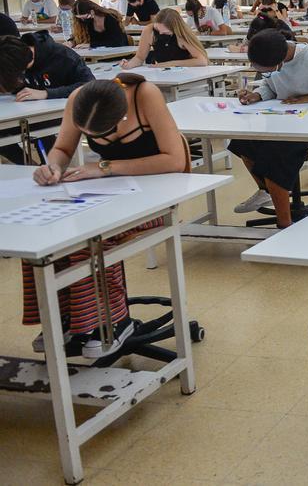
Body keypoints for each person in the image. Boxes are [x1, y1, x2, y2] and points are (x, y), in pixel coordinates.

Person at [25, 73, 189, 358]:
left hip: (158, 194)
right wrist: (51, 166)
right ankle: (67, 319)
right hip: (109, 192)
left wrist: (104, 167)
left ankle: (112, 321)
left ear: (122, 116)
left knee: (92, 236)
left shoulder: (144, 95)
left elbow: (175, 160)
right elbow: (63, 148)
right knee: (44, 238)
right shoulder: (80, 99)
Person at [228, 31, 308, 226]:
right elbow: (270, 85)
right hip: (286, 119)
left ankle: (284, 225)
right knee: (244, 141)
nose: (265, 73)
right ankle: (266, 191)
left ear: (281, 63)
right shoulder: (271, 57)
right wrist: (258, 95)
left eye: (267, 69)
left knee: (275, 154)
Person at [0, 31, 94, 165]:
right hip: (24, 112)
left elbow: (89, 85)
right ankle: (30, 167)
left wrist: (46, 93)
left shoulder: (62, 56)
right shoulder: (8, 56)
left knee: (38, 130)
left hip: (59, 113)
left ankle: (51, 167)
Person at [122, 9, 209, 69]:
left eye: (165, 32)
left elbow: (202, 61)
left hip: (188, 73)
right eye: (157, 29)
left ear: (175, 28)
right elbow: (140, 58)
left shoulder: (182, 34)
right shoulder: (149, 30)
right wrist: (128, 65)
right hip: (162, 72)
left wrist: (171, 64)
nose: (160, 34)